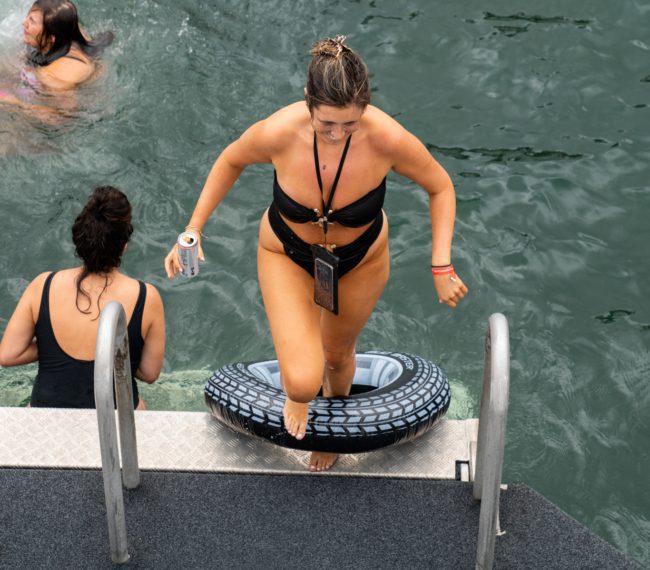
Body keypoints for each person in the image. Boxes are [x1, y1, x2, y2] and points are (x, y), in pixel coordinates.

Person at [164, 36, 468, 471]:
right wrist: (193, 228)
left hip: (362, 258)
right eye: (327, 123)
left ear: (365, 106)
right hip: (286, 253)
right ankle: (303, 396)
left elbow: (440, 186)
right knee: (304, 380)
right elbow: (230, 160)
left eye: (350, 124)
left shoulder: (387, 139)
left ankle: (330, 433)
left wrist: (441, 263)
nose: (338, 134)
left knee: (339, 356)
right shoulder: (279, 132)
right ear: (308, 101)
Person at [0, 186, 165, 409]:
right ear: (124, 247)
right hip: (114, 420)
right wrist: (111, 351)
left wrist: (51, 346)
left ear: (80, 241)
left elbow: (8, 354)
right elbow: (150, 373)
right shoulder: (147, 297)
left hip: (48, 413)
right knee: (140, 407)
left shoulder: (43, 285)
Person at [0, 0, 113, 115]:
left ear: (51, 38)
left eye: (32, 21)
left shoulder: (53, 76)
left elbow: (63, 117)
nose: (24, 23)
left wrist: (15, 103)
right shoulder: (65, 29)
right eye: (28, 17)